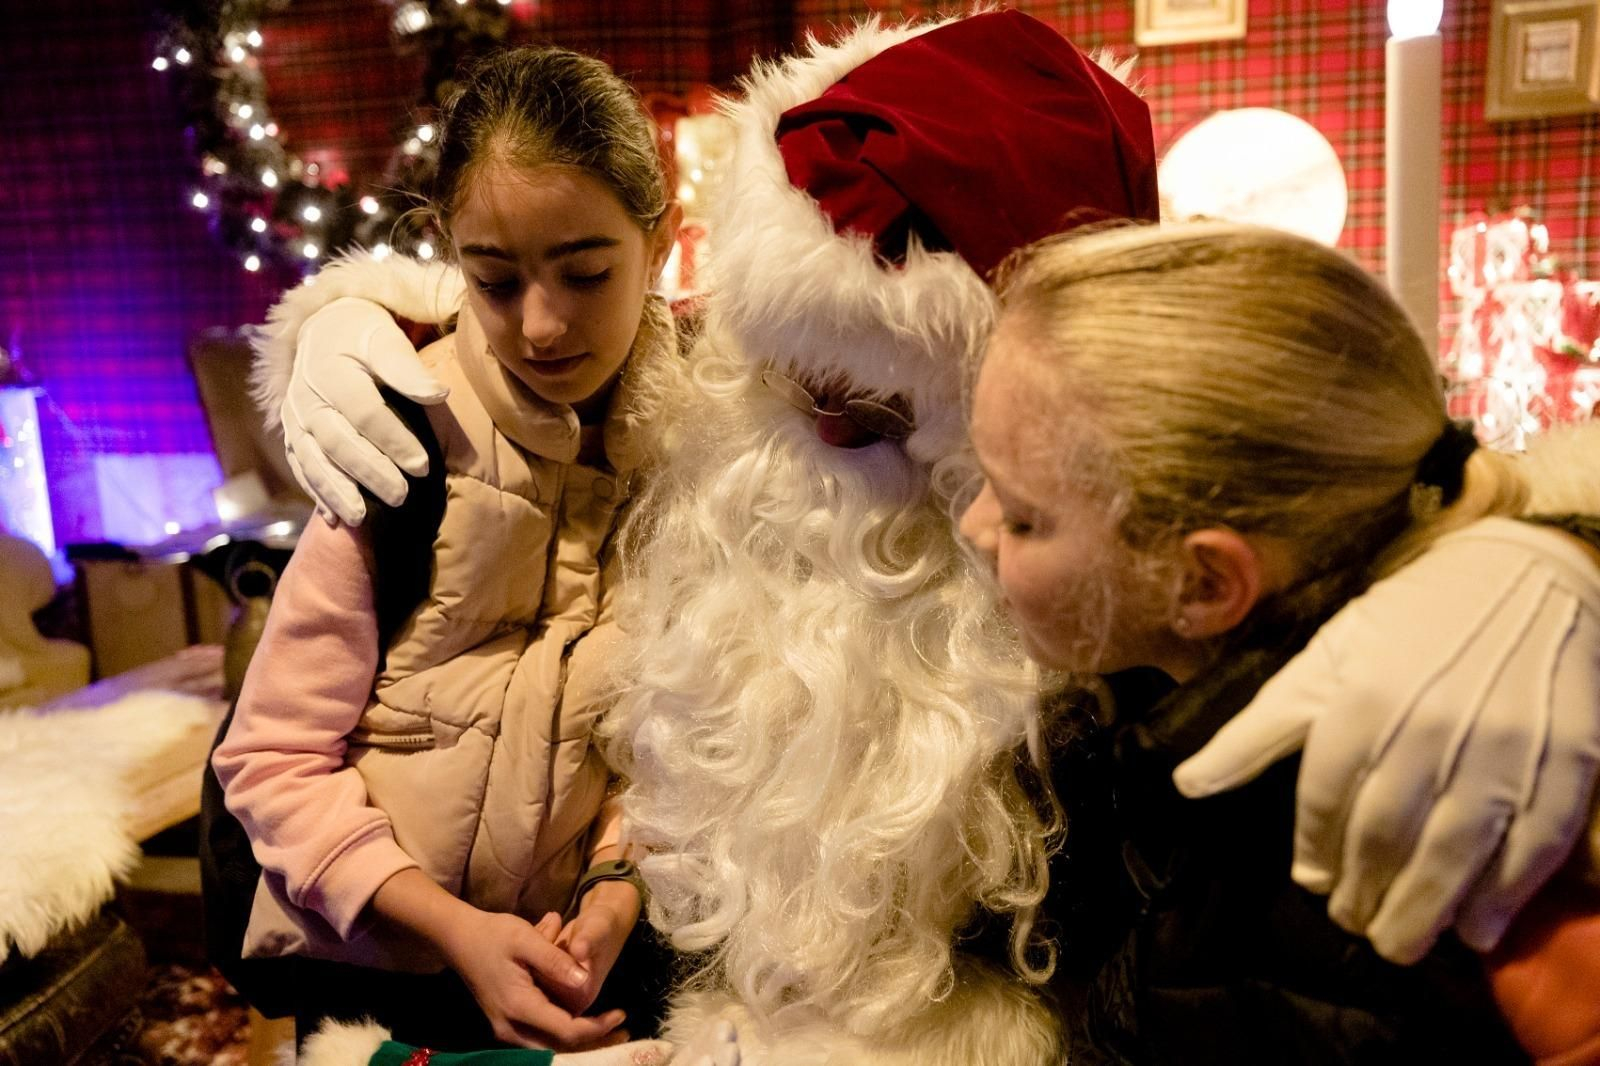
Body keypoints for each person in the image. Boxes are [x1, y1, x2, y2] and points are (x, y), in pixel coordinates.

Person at [251, 12, 1600, 1065]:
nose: (808, 419)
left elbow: (1381, 479)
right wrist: (352, 316)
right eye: (785, 376)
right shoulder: (712, 418)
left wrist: (1539, 561)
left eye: (877, 409)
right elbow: (535, 313)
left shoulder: (1132, 597)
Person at [960, 221, 1600, 1064]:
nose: (971, 526)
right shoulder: (1137, 713)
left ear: (1203, 585)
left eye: (1021, 516)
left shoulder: (1367, 848)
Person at [211, 45, 685, 1051]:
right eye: (495, 280)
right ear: (444, 251)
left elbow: (688, 743)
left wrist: (616, 890)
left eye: (587, 273)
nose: (542, 326)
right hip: (381, 979)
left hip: (595, 968)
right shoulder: (398, 435)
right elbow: (271, 758)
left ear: (661, 237)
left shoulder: (710, 451)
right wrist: (453, 931)